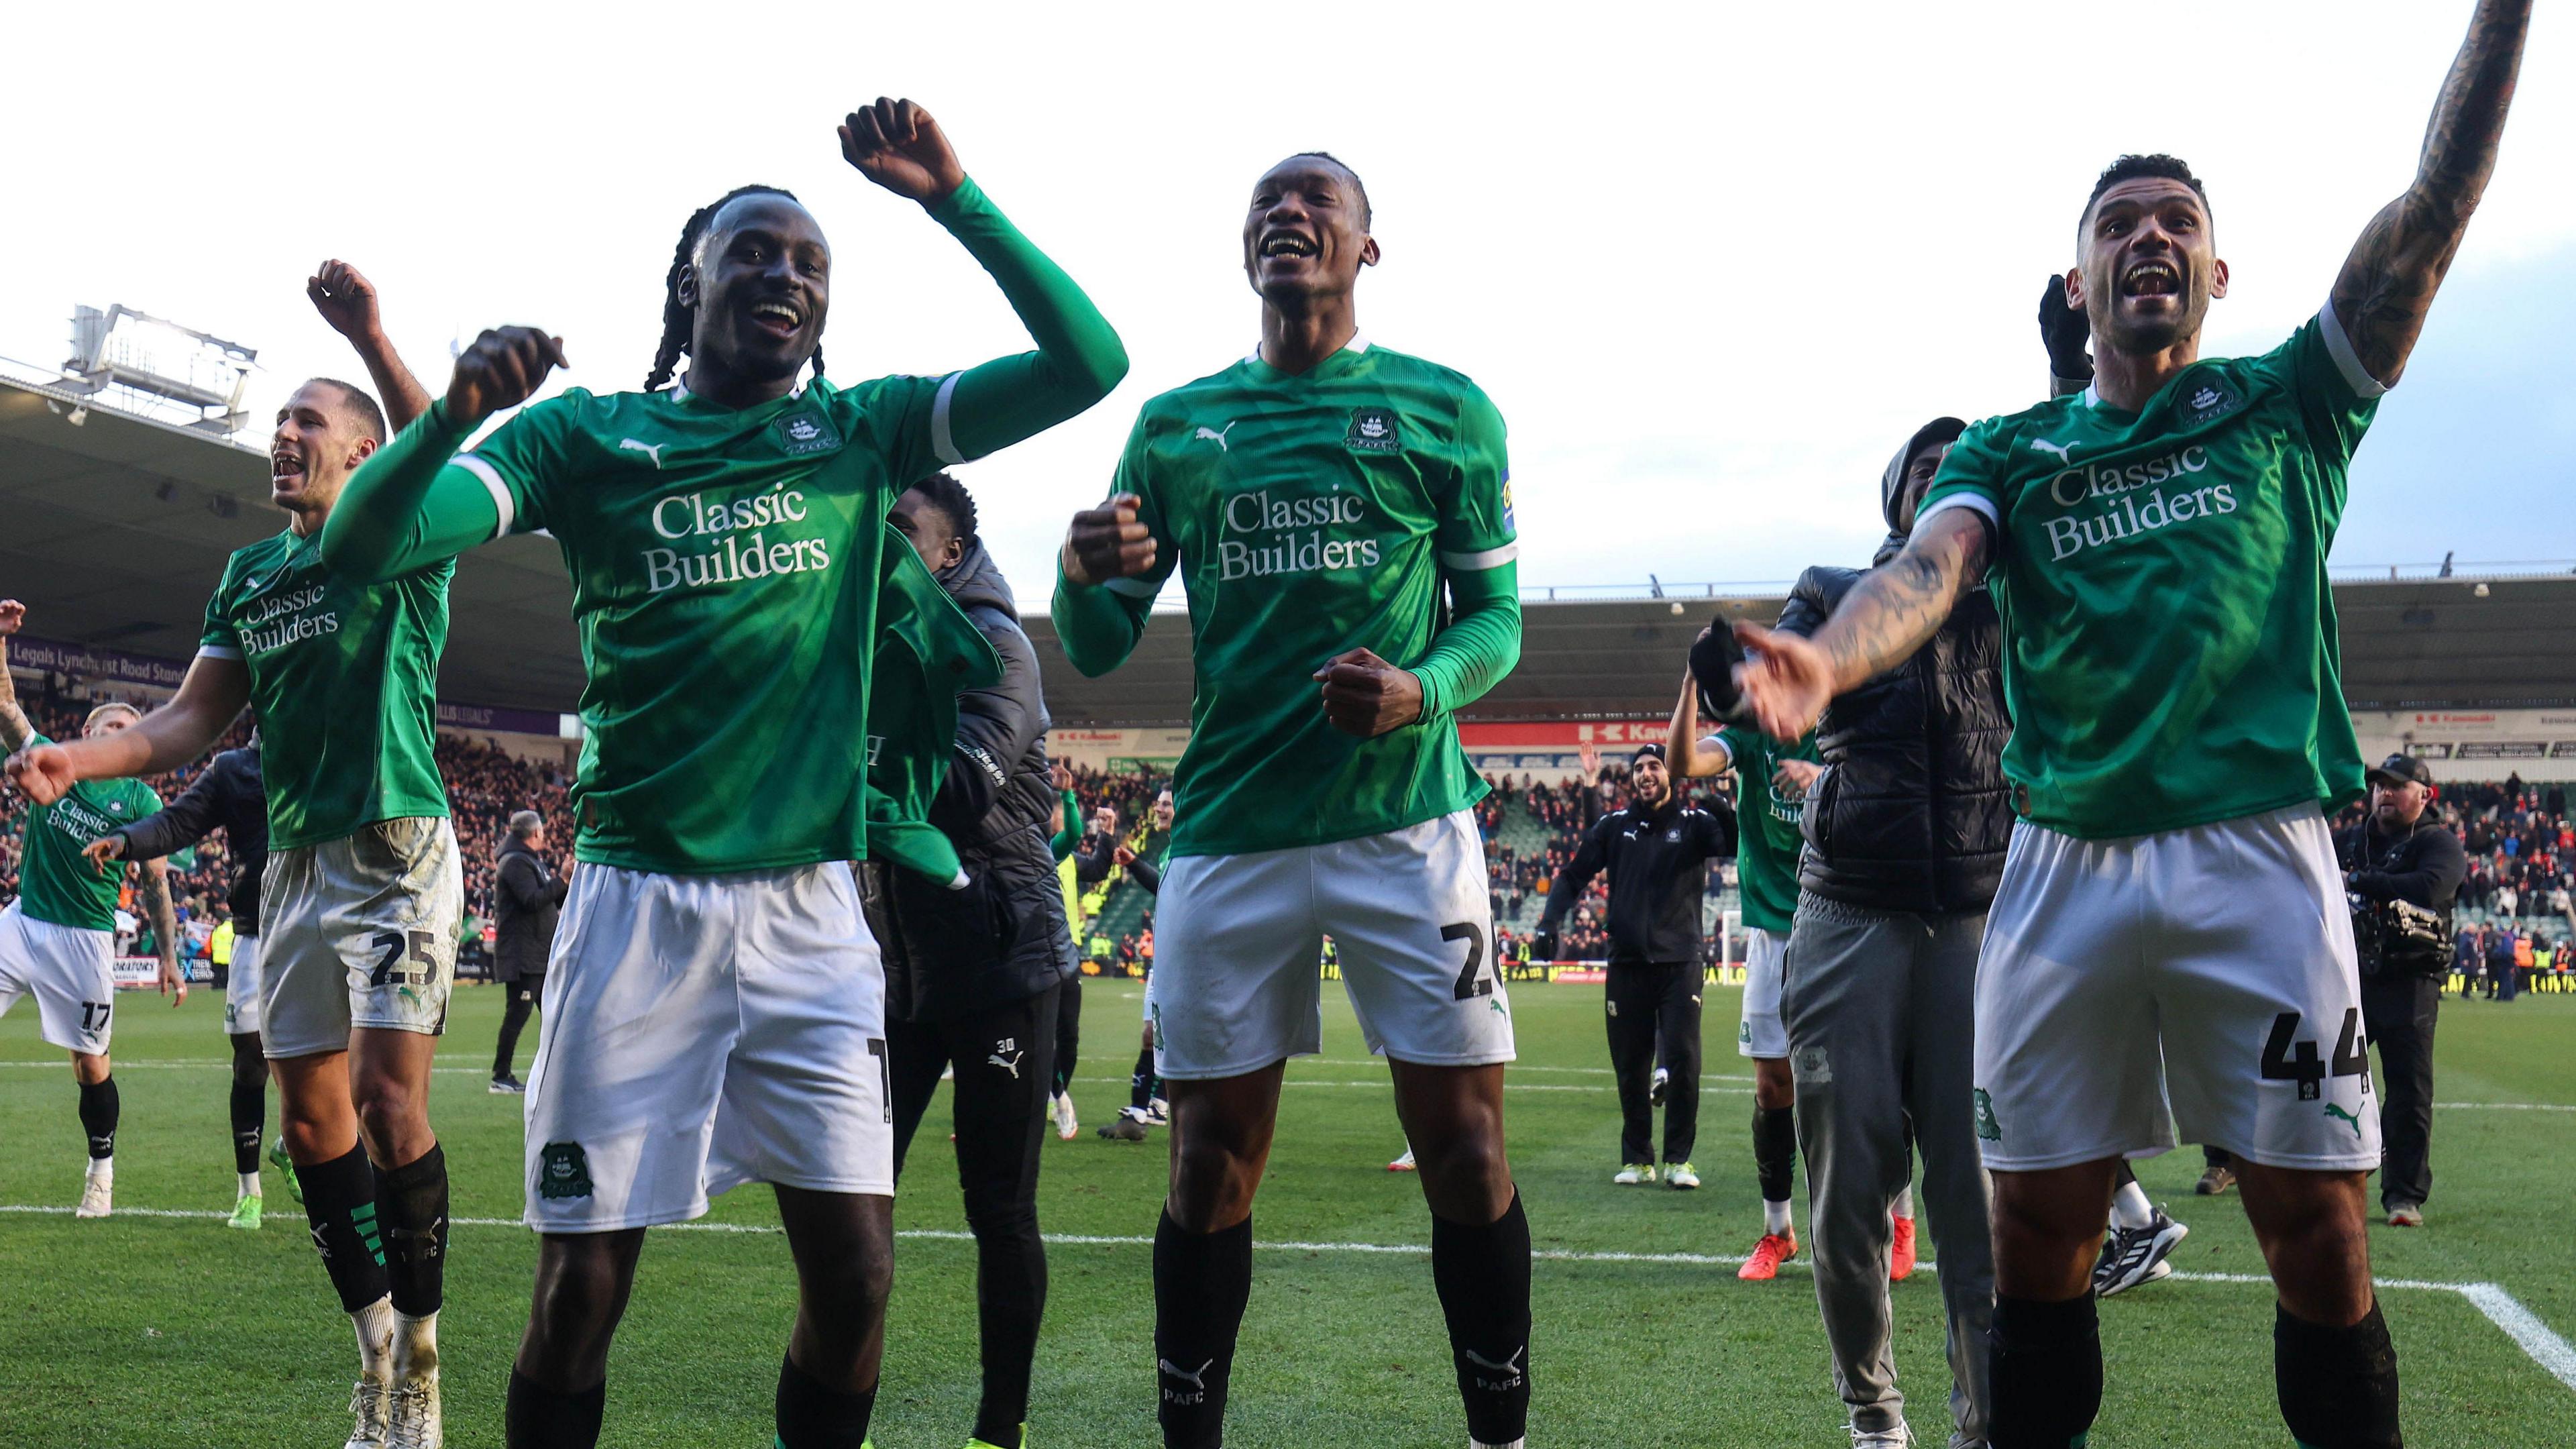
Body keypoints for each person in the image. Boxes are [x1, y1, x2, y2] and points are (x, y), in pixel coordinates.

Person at [1733, 8, 2530, 1443]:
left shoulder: (2286, 401)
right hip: (2061, 873)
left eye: (2178, 222)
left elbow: (2435, 207)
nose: (2150, 238)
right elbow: (1925, 571)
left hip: (2257, 861)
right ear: (2079, 276)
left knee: (2322, 1243)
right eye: (2120, 223)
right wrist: (1828, 662)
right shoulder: (2013, 452)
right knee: (2040, 1242)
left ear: (2218, 272)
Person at [312, 99, 1123, 1449]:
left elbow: (1088, 362)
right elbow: (361, 546)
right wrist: (452, 410)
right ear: (690, 283)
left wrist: (953, 195)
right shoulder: (586, 439)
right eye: (755, 253)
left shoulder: (862, 436)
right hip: (638, 918)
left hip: (811, 921)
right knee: (582, 1290)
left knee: (859, 1278)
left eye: (810, 263)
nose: (786, 278)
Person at [1053, 151, 1527, 1449]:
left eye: (1320, 202)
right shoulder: (1179, 425)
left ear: (1368, 249)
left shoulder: (1447, 412)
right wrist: (1079, 564)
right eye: (1268, 202)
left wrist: (1421, 689)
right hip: (1231, 835)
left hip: (1407, 828)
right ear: (1243, 247)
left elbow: (1495, 623)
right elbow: (1094, 641)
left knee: (1469, 1155)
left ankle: (1502, 1436)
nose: (1290, 214)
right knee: (1207, 1162)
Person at [7, 258, 456, 1448]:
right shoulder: (251, 574)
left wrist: (369, 337)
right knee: (314, 1127)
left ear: (361, 455)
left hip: (401, 849)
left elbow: (440, 452)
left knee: (388, 1102)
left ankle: (424, 1354)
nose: (284, 436)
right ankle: (376, 1360)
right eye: (280, 424)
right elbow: (189, 722)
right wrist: (75, 758)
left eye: (307, 423)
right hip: (299, 869)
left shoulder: (403, 539)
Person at [1755, 415, 2011, 1448]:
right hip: (1847, 914)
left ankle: (1984, 1424)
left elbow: (2074, 480)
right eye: (1923, 465)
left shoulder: (2009, 597)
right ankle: (1875, 1419)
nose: (1941, 475)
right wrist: (1759, 675)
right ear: (1893, 496)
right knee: (1846, 1202)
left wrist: (2065, 379)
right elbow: (1794, 671)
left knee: (1978, 1204)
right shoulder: (1828, 589)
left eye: (1960, 469)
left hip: (1977, 921)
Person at [868, 470, 1079, 1449]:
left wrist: (836, 771)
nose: (885, 540)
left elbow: (952, 792)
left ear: (950, 554)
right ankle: (838, 1412)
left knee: (999, 1206)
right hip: (897, 967)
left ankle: (1003, 1428)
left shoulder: (996, 645)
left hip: (1000, 958)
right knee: (852, 1193)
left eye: (904, 530)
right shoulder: (866, 640)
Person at [0, 616, 184, 1225]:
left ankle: (101, 1172)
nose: (121, 735)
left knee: (91, 1066)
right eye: (112, 726)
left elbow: (156, 881)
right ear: (87, 733)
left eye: (131, 731)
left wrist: (168, 957)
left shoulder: (141, 800)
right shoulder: (55, 764)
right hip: (24, 922)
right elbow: (5, 706)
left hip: (85, 941)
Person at [1669, 667, 1826, 1280]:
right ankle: (1778, 1230)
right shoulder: (1753, 735)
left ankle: (1897, 1218)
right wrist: (1690, 682)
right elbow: (1686, 761)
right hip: (1769, 929)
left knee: (1865, 1086)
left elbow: (1895, 783)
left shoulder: (1847, 726)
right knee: (1772, 1089)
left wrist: (1826, 778)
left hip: (1842, 919)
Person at [87, 722, 272, 1229]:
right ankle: (249, 1192)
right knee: (251, 1065)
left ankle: (297, 1146)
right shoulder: (233, 770)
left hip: (323, 930)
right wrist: (125, 841)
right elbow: (175, 823)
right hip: (257, 935)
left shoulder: (325, 758)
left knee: (340, 1069)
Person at [1531, 743, 1733, 1191]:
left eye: (1654, 767)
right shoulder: (1614, 827)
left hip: (1681, 962)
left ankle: (1680, 1160)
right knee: (1631, 1064)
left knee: (1683, 1060)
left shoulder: (1695, 824)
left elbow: (1732, 843)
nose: (1645, 774)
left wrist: (1721, 800)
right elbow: (1571, 876)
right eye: (1638, 768)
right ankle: (1637, 1158)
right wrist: (1548, 922)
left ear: (1669, 774)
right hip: (1626, 964)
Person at [2339, 753, 2466, 1228]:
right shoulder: (2352, 839)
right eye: (2378, 785)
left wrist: (2362, 881)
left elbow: (2431, 888)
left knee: (2408, 1089)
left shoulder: (2439, 843)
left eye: (2397, 785)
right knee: (2310, 1076)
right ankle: (2240, 1162)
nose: (2384, 793)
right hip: (2350, 976)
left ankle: (2404, 1195)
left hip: (2410, 980)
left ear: (2424, 795)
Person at [1101, 788, 1175, 1142]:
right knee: (1152, 1036)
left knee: (1168, 1036)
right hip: (1165, 960)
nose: (1158, 809)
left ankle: (1158, 1104)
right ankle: (1141, 1112)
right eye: (1158, 803)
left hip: (1181, 960)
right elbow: (1164, 889)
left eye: (1166, 804)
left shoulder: (1190, 850)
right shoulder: (1172, 853)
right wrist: (1133, 865)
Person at [489, 810, 568, 1093]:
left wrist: (565, 881)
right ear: (535, 833)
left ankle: (556, 1072)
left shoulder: (529, 861)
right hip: (524, 957)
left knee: (555, 1015)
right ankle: (500, 1076)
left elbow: (551, 898)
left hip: (538, 955)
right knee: (518, 1015)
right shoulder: (515, 863)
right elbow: (532, 900)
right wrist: (561, 880)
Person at [1046, 763, 1086, 1141]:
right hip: (1032, 955)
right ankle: (1055, 1098)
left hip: (1066, 952)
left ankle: (1058, 1092)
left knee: (1068, 1035)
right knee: (1037, 1034)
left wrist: (1068, 794)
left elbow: (1074, 833)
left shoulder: (1049, 851)